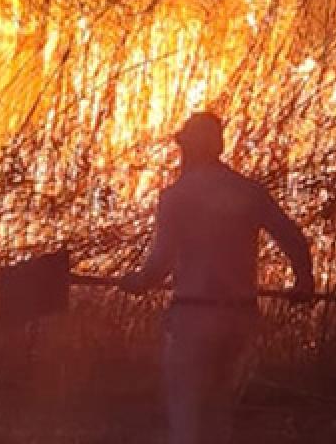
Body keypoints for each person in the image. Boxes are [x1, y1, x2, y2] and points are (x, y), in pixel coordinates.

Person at [120, 112, 315, 444]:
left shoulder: (177, 196)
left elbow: (161, 262)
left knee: (187, 417)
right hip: (241, 317)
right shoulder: (248, 192)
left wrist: (138, 282)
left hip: (194, 317)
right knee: (220, 415)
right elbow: (292, 237)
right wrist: (304, 280)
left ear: (189, 148)